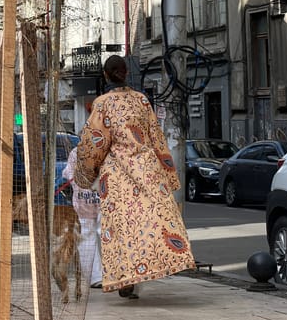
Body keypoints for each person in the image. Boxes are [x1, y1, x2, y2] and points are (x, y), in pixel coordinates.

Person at [74, 54, 195, 299]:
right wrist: (168, 176)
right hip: (147, 169)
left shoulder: (102, 104)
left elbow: (94, 143)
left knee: (120, 228)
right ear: (126, 73)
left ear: (106, 75)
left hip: (117, 176)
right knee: (147, 223)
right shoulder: (142, 101)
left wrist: (84, 174)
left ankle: (125, 278)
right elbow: (157, 138)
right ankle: (150, 267)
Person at [63, 145, 103, 288]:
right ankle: (114, 275)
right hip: (105, 200)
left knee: (86, 236)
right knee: (107, 235)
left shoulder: (76, 151)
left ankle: (95, 278)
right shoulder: (105, 149)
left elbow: (67, 173)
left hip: (82, 201)